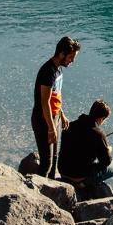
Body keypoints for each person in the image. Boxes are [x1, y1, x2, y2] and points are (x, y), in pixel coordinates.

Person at [31, 36, 81, 179]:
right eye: (71, 57)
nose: (73, 61)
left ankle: (51, 192)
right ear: (62, 54)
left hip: (55, 117)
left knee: (55, 159)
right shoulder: (48, 72)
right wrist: (51, 128)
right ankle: (35, 192)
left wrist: (62, 114)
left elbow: (56, 96)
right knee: (46, 163)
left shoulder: (58, 70)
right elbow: (44, 102)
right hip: (43, 121)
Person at [59, 98, 113, 194]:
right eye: (104, 120)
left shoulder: (70, 125)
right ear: (101, 118)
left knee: (91, 161)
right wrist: (108, 150)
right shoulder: (98, 133)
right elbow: (106, 162)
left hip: (63, 172)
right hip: (79, 178)